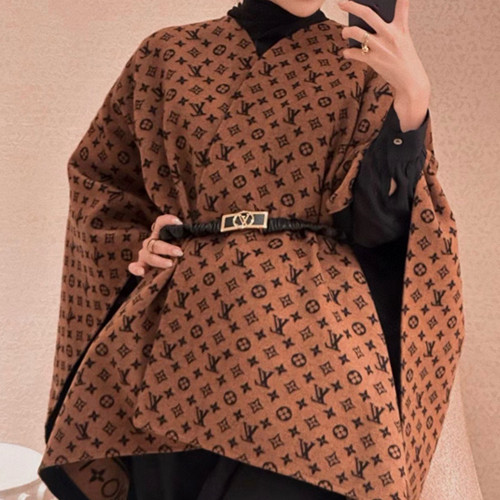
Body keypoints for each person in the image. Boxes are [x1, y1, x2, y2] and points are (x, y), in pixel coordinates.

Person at [38, 1, 466, 499]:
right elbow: (102, 185)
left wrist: (412, 100)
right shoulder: (167, 53)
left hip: (314, 348)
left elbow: (382, 227)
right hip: (175, 337)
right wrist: (140, 246)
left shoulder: (366, 65)